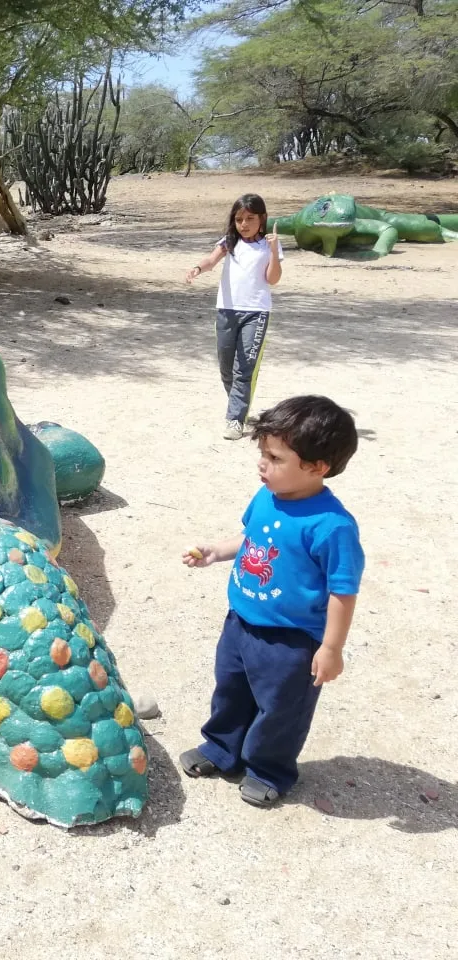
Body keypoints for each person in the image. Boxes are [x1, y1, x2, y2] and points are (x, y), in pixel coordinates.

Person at [179, 396, 363, 807]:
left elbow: (342, 591)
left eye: (275, 458)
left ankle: (268, 769)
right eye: (263, 454)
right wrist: (217, 551)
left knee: (281, 709)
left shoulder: (332, 526)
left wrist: (331, 648)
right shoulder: (266, 496)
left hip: (291, 641)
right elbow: (251, 538)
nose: (262, 465)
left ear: (318, 467)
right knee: (230, 689)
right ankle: (221, 749)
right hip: (241, 621)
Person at [185, 193, 284, 441]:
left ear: (262, 218)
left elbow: (272, 279)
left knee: (244, 369)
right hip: (226, 311)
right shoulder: (229, 241)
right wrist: (198, 268)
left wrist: (272, 250)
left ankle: (235, 419)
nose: (244, 224)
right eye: (239, 219)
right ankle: (240, 407)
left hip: (256, 313)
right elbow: (211, 260)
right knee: (226, 367)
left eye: (250, 218)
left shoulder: (270, 244)